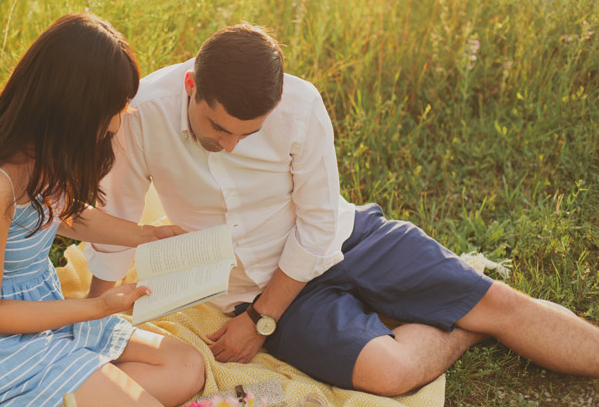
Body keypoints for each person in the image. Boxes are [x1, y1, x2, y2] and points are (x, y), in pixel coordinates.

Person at [85, 23, 599, 396]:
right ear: (192, 86)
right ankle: (462, 319)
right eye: (219, 129)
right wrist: (93, 320)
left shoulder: (300, 105)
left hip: (349, 238)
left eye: (249, 133)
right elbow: (116, 217)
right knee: (390, 373)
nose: (233, 145)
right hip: (258, 288)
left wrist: (261, 323)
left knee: (507, 305)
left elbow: (318, 226)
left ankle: (463, 305)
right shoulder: (142, 114)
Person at [0, 13, 205, 407]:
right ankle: (77, 388)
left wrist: (147, 235)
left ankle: (72, 392)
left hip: (40, 314)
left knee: (186, 365)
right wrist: (98, 307)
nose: (122, 119)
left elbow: (61, 212)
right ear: (73, 108)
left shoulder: (42, 146)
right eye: (115, 107)